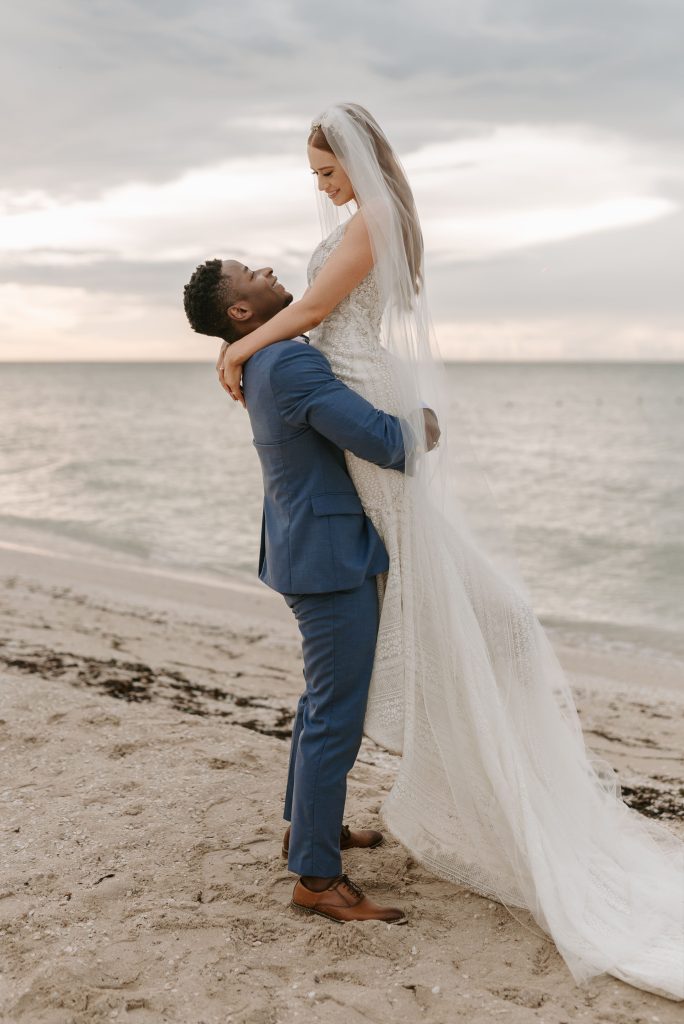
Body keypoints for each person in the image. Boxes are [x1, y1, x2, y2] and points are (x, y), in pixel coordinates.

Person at [209, 104, 684, 1000]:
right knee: (385, 654)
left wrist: (240, 346)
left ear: (354, 156)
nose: (324, 190)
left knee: (436, 618)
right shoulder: (304, 346)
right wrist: (401, 423)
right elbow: (321, 329)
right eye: (318, 176)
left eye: (325, 171)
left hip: (356, 424)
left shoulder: (367, 234)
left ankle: (327, 820)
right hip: (364, 430)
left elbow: (313, 307)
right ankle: (319, 854)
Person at [183, 257, 437, 924]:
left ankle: (308, 830)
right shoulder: (287, 365)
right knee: (335, 714)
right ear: (241, 311)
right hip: (327, 561)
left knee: (321, 702)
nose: (266, 269)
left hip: (307, 547)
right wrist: (425, 425)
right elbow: (380, 440)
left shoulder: (265, 358)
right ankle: (318, 880)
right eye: (250, 274)